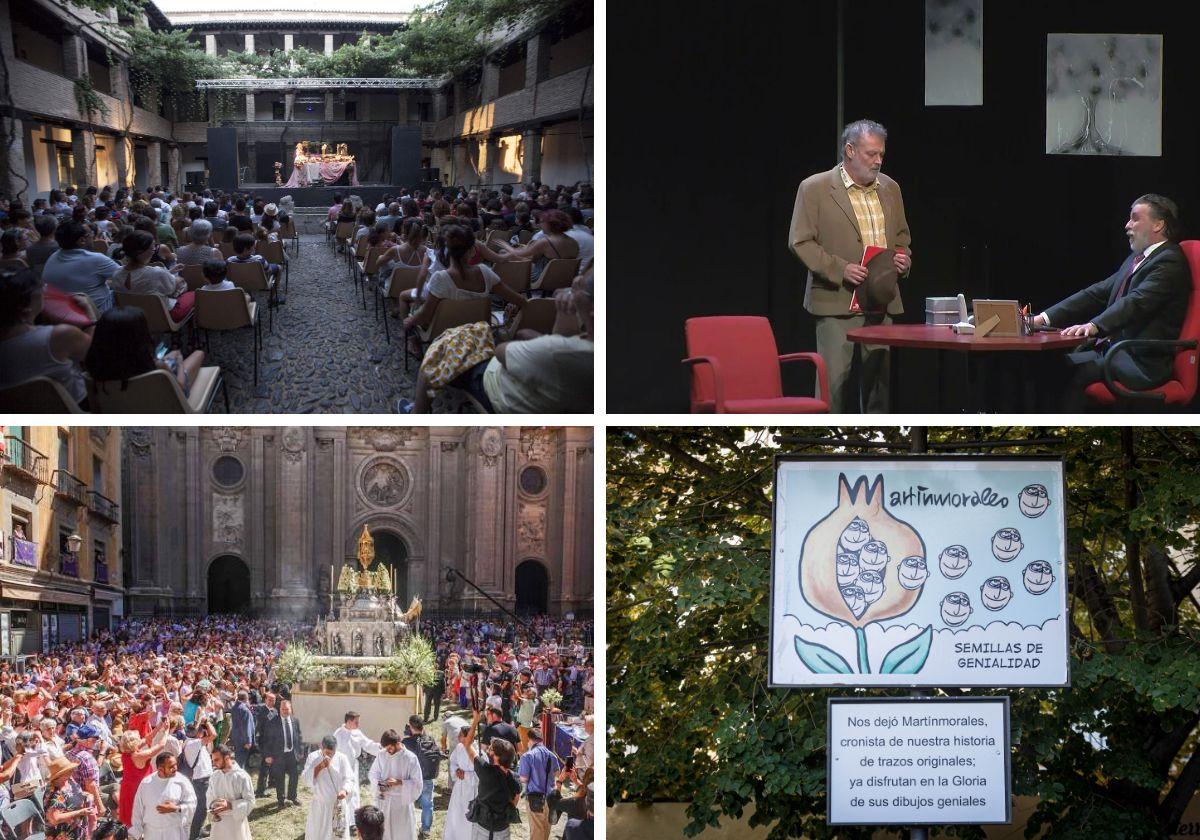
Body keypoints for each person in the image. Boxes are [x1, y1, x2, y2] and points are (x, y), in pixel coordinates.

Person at [788, 118, 913, 413]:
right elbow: (800, 242)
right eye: (871, 154)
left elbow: (902, 237)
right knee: (832, 389)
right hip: (836, 302)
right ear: (850, 151)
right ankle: (829, 447)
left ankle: (875, 447)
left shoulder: (890, 188)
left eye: (881, 154)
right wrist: (839, 269)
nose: (878, 161)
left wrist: (903, 259)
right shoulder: (815, 188)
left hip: (881, 302)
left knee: (878, 391)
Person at [1032, 193, 1191, 410]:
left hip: (1142, 362)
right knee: (1056, 363)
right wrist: (1043, 318)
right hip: (1116, 350)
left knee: (1080, 371)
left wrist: (1094, 326)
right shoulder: (1138, 259)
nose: (1127, 225)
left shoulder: (1169, 261)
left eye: (1135, 218)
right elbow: (1096, 293)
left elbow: (1136, 303)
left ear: (1158, 224)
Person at [479, 271, 594, 413]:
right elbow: (560, 350)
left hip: (502, 394)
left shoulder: (556, 351)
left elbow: (500, 351)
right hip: (557, 396)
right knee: (523, 334)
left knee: (465, 341)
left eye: (581, 288)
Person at [0, 268, 90, 404]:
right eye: (41, 290)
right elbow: (97, 355)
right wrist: (89, 318)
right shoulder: (60, 335)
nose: (45, 291)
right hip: (79, 408)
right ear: (26, 307)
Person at [83, 306, 206, 397]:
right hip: (168, 400)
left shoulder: (93, 367)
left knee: (174, 353)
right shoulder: (156, 366)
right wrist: (180, 364)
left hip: (123, 407)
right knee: (198, 354)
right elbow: (180, 387)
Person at [41, 218, 121, 314]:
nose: (92, 236)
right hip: (95, 312)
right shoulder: (96, 259)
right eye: (90, 234)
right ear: (82, 240)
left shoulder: (53, 257)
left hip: (61, 314)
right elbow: (125, 276)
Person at [463, 710, 521, 840]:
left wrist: (475, 722)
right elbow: (516, 797)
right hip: (503, 828)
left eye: (491, 749)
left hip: (484, 828)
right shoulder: (515, 777)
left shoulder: (485, 770)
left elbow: (467, 745)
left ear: (496, 757)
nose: (488, 750)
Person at [109, 230, 194, 320]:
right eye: (153, 248)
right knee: (193, 294)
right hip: (163, 316)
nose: (154, 251)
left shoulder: (116, 274)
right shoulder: (156, 273)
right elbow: (171, 290)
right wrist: (178, 279)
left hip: (132, 317)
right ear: (141, 252)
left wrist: (169, 272)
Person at [365, 729, 422, 840]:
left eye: (390, 748)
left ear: (398, 743)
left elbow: (417, 783)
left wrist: (399, 782)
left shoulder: (410, 758)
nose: (388, 751)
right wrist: (379, 784)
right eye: (385, 748)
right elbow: (373, 774)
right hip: (384, 801)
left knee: (400, 833)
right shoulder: (382, 755)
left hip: (401, 803)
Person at [301, 734, 356, 840]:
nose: (330, 756)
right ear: (321, 747)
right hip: (320, 804)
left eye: (333, 753)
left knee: (337, 835)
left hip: (338, 804)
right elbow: (305, 779)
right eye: (327, 753)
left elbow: (349, 778)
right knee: (319, 834)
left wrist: (344, 790)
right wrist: (320, 766)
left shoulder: (342, 758)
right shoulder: (313, 757)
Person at [131, 753, 196, 840]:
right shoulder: (146, 783)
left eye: (176, 764)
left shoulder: (182, 781)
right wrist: (136, 832)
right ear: (160, 769)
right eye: (171, 767)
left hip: (173, 832)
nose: (175, 768)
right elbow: (137, 809)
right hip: (152, 833)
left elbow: (192, 804)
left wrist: (176, 808)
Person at [401, 716, 445, 839]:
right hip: (427, 778)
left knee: (407, 804)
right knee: (427, 805)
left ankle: (407, 827)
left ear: (410, 727)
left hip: (411, 780)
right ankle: (426, 830)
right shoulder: (430, 739)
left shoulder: (406, 742)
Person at [118, 725, 169, 828]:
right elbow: (161, 745)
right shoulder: (138, 756)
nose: (140, 739)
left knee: (130, 820)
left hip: (127, 788)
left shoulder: (126, 751)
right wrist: (166, 730)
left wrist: (159, 726)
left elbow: (147, 738)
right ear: (134, 743)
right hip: (138, 790)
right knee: (141, 819)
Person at [333, 711, 381, 819]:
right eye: (356, 722)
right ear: (349, 721)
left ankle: (353, 820)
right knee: (345, 791)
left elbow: (368, 744)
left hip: (353, 766)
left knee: (354, 792)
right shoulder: (338, 734)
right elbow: (333, 752)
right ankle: (343, 817)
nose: (358, 724)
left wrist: (381, 748)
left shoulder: (357, 733)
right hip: (341, 767)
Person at [517, 729, 561, 840]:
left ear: (530, 740)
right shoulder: (552, 755)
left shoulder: (527, 756)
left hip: (535, 799)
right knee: (546, 831)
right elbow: (557, 773)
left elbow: (523, 779)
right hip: (551, 799)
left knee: (537, 832)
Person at [42, 754, 98, 840]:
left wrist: (88, 796)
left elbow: (77, 794)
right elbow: (54, 818)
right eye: (69, 770)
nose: (73, 771)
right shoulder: (54, 793)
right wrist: (80, 812)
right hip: (62, 834)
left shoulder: (69, 780)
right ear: (60, 775)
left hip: (77, 828)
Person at [206, 745, 254, 840]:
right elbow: (209, 796)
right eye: (212, 760)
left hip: (235, 823)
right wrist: (212, 808)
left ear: (227, 757)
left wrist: (231, 805)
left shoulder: (242, 776)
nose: (213, 763)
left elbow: (250, 801)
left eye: (216, 760)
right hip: (218, 823)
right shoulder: (214, 776)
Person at [262, 699, 303, 806]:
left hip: (292, 755)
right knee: (280, 778)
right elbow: (265, 740)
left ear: (291, 709)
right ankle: (281, 800)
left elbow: (299, 737)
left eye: (287, 709)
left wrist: (300, 751)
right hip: (278, 755)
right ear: (279, 709)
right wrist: (267, 755)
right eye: (282, 709)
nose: (284, 711)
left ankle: (292, 797)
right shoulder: (272, 722)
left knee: (294, 776)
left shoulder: (295, 721)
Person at [180, 718, 216, 840]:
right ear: (198, 733)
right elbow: (214, 735)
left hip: (200, 779)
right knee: (201, 809)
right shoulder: (194, 743)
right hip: (201, 781)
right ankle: (194, 835)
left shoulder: (188, 742)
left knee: (200, 808)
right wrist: (208, 723)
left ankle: (197, 830)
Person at [442, 726, 477, 840]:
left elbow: (482, 773)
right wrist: (456, 770)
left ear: (468, 737)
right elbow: (453, 762)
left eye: (461, 735)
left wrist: (466, 775)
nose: (458, 737)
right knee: (457, 814)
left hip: (472, 790)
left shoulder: (477, 751)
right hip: (460, 787)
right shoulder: (459, 747)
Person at [229, 691, 255, 770]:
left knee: (238, 758)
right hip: (243, 740)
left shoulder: (234, 707)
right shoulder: (244, 710)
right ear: (246, 698)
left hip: (236, 737)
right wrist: (248, 741)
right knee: (241, 761)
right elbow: (246, 726)